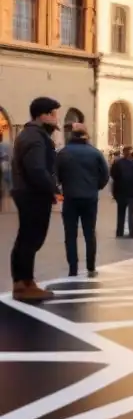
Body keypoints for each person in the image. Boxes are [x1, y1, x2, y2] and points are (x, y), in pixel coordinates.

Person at [10, 97, 62, 302]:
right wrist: (53, 190)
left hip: (27, 192)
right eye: (54, 114)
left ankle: (25, 281)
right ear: (44, 115)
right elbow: (37, 169)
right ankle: (22, 285)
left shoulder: (32, 134)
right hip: (32, 194)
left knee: (28, 238)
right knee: (30, 239)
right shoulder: (36, 137)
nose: (56, 118)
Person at [55, 124, 109, 278]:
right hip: (90, 198)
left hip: (70, 198)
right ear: (85, 136)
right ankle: (91, 267)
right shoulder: (95, 153)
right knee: (89, 233)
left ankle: (73, 268)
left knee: (70, 234)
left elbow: (55, 175)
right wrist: (95, 187)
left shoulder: (63, 153)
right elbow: (105, 175)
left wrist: (62, 188)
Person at [110, 145, 133, 239]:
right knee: (131, 213)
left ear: (123, 153)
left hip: (121, 191)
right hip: (132, 192)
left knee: (121, 212)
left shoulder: (118, 163)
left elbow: (113, 175)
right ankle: (132, 232)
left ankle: (119, 231)